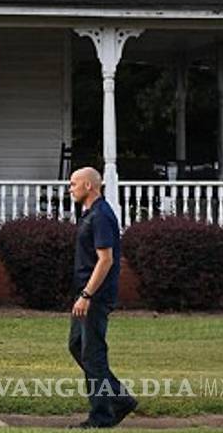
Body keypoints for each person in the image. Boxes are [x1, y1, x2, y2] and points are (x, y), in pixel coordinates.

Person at [68, 167, 138, 428]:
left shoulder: (101, 215)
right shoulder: (89, 214)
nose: (70, 188)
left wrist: (87, 294)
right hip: (85, 293)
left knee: (92, 354)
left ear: (89, 186)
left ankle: (101, 416)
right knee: (77, 346)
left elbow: (106, 259)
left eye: (74, 183)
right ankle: (120, 400)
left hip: (94, 296)